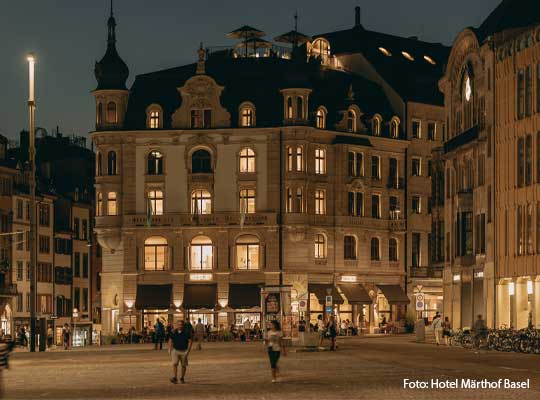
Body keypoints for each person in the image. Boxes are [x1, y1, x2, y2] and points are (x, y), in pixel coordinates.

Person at [168, 320, 193, 384]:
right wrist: (169, 349)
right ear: (176, 325)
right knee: (174, 364)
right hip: (175, 350)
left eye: (181, 324)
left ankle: (182, 377)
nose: (180, 326)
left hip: (184, 351)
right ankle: (175, 377)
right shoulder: (173, 332)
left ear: (183, 325)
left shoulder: (186, 332)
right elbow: (170, 340)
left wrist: (188, 350)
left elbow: (190, 341)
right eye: (178, 324)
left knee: (183, 365)